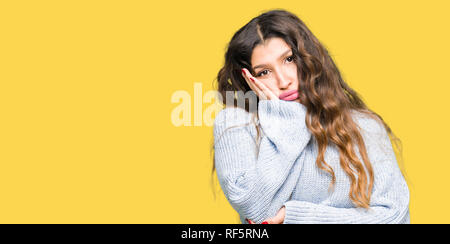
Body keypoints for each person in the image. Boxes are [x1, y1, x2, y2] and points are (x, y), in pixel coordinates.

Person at [212, 9, 410, 224]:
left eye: (289, 59)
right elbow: (257, 211)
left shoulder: (363, 126)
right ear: (249, 79)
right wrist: (286, 119)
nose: (283, 80)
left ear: (308, 58)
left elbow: (394, 216)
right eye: (264, 72)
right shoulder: (236, 124)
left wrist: (295, 217)